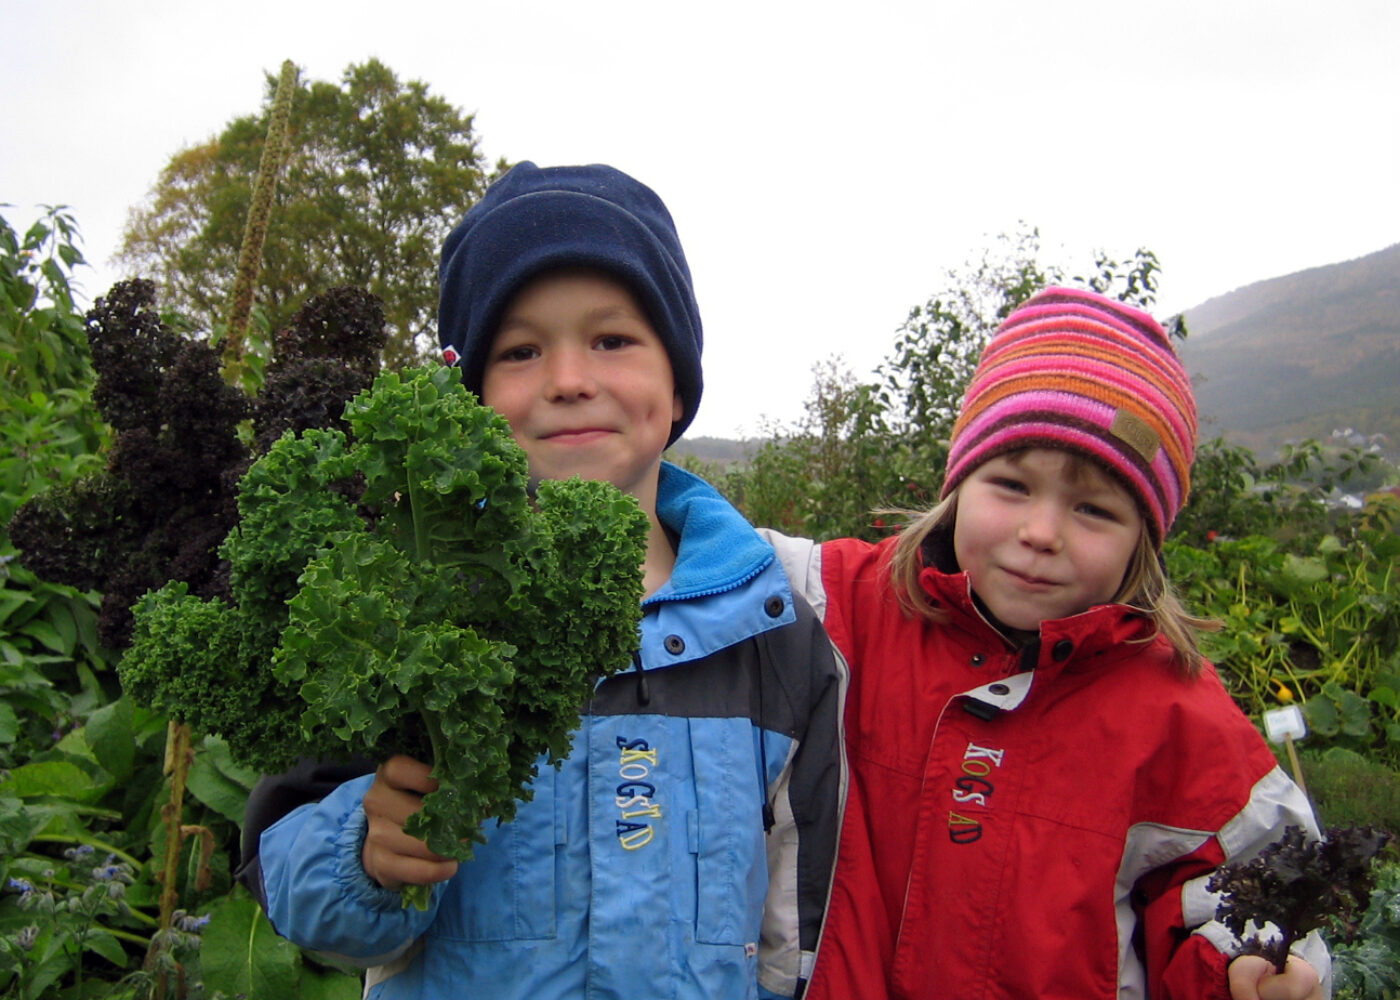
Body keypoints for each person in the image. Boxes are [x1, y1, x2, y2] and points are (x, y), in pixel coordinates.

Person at [236, 162, 844, 1000]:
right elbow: (292, 885)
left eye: (612, 340)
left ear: (677, 382)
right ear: (472, 395)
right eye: (521, 350)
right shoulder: (395, 608)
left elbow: (796, 924)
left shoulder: (770, 624)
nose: (567, 379)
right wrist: (365, 857)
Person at [762, 287, 1330, 999]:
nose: (1041, 532)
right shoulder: (839, 606)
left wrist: (1245, 968)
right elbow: (689, 562)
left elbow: (1255, 897)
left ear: (1143, 544)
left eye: (1094, 507)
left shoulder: (1180, 717)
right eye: (1010, 483)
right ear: (960, 482)